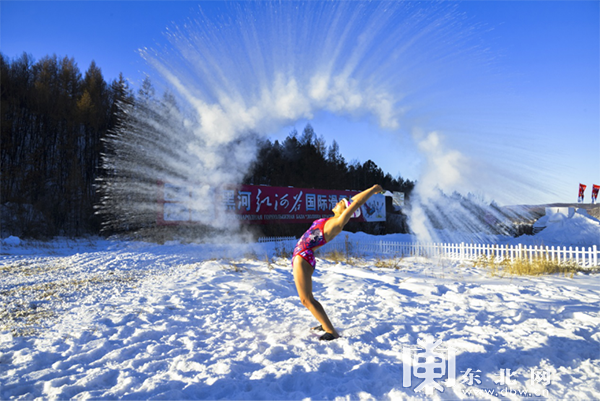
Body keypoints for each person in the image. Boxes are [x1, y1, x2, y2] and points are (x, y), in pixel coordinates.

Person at [291, 184, 384, 341]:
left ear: (345, 211)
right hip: (301, 256)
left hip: (303, 257)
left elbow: (355, 203)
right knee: (308, 298)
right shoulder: (331, 219)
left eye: (341, 202)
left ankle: (331, 332)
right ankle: (324, 323)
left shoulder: (337, 223)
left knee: (306, 299)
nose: (339, 201)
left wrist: (373, 189)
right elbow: (351, 201)